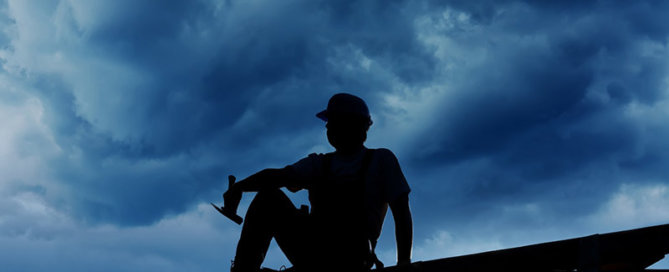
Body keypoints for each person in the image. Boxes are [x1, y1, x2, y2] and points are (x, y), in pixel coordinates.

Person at [224, 93, 413, 272]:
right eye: (329, 123)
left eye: (333, 122)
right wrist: (241, 187)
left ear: (354, 125)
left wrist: (403, 261)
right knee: (268, 199)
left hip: (352, 257)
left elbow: (401, 211)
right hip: (314, 252)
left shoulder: (381, 161)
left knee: (270, 199)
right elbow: (277, 176)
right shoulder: (320, 164)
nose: (328, 128)